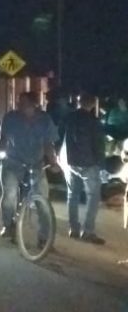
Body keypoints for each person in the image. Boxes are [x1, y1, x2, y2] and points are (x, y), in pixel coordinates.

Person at [0, 91, 59, 241]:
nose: (20, 106)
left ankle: (45, 238)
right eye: (20, 103)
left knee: (43, 200)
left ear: (34, 105)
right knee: (10, 195)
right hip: (13, 162)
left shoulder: (44, 120)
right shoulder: (10, 117)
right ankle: (8, 225)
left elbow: (48, 143)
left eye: (24, 103)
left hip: (36, 164)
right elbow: (2, 139)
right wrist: (1, 152)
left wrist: (53, 163)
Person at [62, 91, 106, 244]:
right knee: (93, 197)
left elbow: (61, 138)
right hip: (89, 163)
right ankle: (88, 231)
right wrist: (101, 163)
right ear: (93, 104)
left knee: (72, 195)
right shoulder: (93, 121)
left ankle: (73, 229)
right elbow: (99, 145)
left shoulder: (69, 118)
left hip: (71, 161)